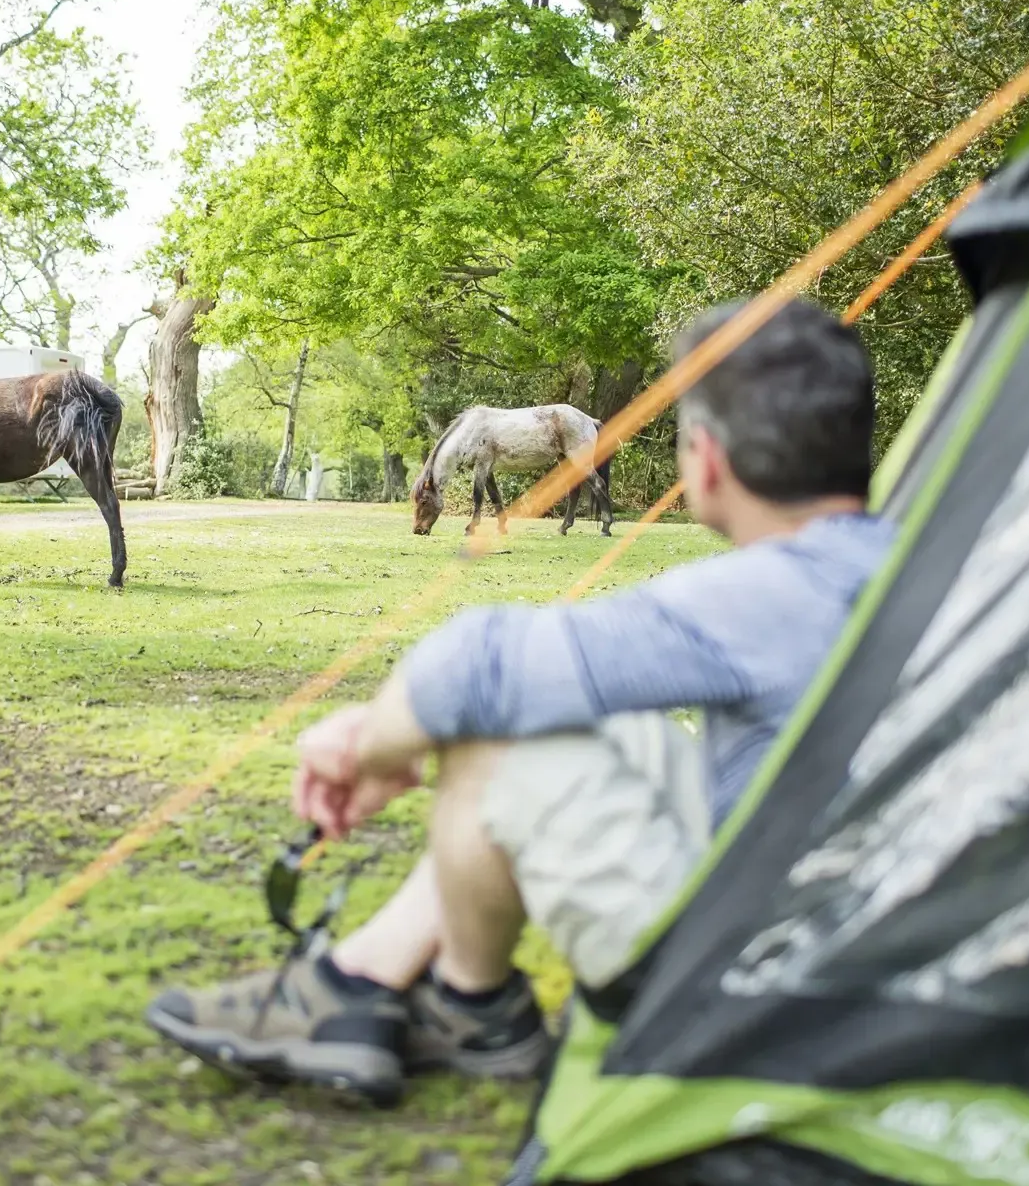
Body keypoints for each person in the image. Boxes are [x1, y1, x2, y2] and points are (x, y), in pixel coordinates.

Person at [145, 297, 896, 1105]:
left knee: (500, 728)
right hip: (866, 907)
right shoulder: (929, 554)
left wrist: (366, 742)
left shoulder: (767, 591)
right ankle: (439, 995)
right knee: (573, 714)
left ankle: (401, 994)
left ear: (705, 461)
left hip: (767, 968)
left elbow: (478, 666)